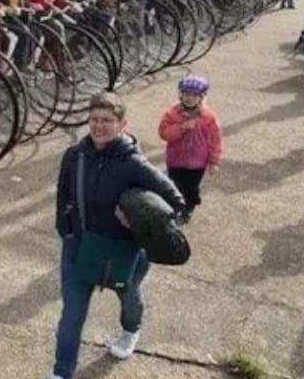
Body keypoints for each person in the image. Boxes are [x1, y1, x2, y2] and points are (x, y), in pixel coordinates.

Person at [48, 92, 186, 379]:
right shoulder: (75, 156)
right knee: (71, 316)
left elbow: (176, 202)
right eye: (94, 119)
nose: (99, 126)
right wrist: (67, 230)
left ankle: (131, 330)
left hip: (122, 251)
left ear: (122, 124)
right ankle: (61, 373)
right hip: (80, 247)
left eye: (107, 120)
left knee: (129, 297)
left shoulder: (133, 163)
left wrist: (138, 218)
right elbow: (63, 195)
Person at [158, 76, 222, 224]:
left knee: (191, 187)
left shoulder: (208, 117)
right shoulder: (172, 114)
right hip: (175, 160)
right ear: (180, 94)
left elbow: (215, 140)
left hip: (197, 163)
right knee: (174, 185)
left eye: (194, 95)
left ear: (202, 97)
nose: (189, 98)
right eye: (186, 94)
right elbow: (164, 133)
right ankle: (175, 207)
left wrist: (214, 161)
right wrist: (181, 128)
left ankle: (190, 206)